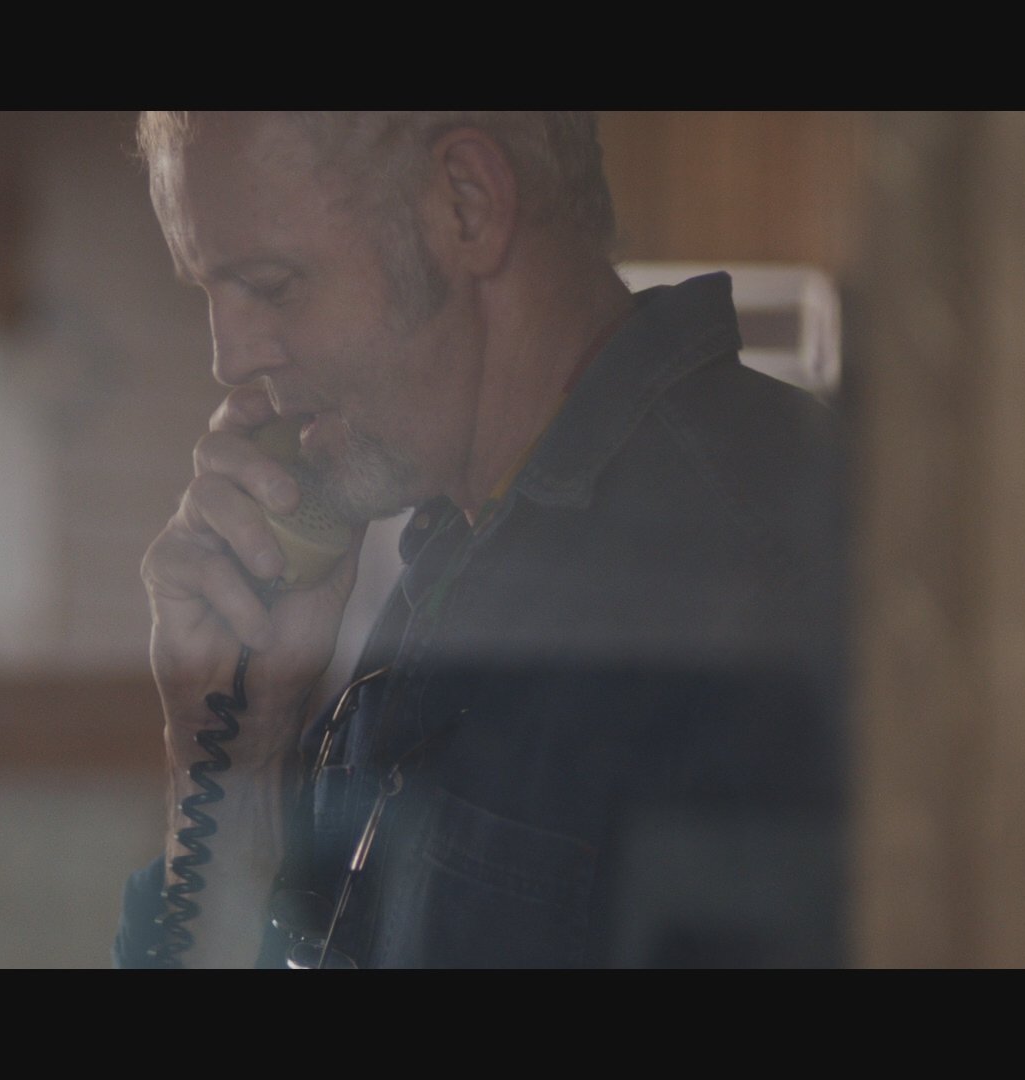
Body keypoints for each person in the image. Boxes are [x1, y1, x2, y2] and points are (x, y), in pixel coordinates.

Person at [115, 111, 845, 968]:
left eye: (272, 286)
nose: (230, 361)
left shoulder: (758, 574)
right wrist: (239, 755)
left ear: (465, 204)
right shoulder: (457, 543)